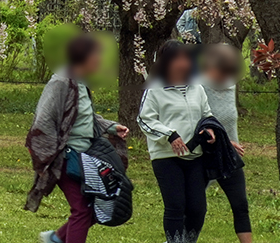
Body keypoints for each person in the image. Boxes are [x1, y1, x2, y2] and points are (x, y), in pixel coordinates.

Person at [28, 34, 130, 243]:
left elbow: (81, 116)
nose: (100, 60)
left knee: (96, 205)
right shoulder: (61, 82)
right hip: (66, 159)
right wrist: (45, 157)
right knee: (82, 210)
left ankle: (56, 238)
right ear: (84, 56)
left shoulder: (79, 81)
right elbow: (43, 121)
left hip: (85, 156)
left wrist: (111, 128)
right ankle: (56, 238)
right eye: (97, 55)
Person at [138, 41, 218, 243]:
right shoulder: (155, 89)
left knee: (197, 208)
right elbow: (145, 120)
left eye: (186, 58)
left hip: (195, 155)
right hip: (166, 157)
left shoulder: (197, 88)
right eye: (177, 59)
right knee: (175, 206)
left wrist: (210, 128)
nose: (183, 63)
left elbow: (207, 115)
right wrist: (170, 135)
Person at [196, 45, 251, 243]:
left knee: (240, 204)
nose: (225, 76)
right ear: (210, 66)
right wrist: (224, 140)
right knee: (195, 207)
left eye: (229, 71)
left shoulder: (230, 85)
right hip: (204, 154)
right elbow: (198, 123)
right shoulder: (197, 86)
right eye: (222, 71)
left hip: (229, 155)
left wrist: (228, 144)